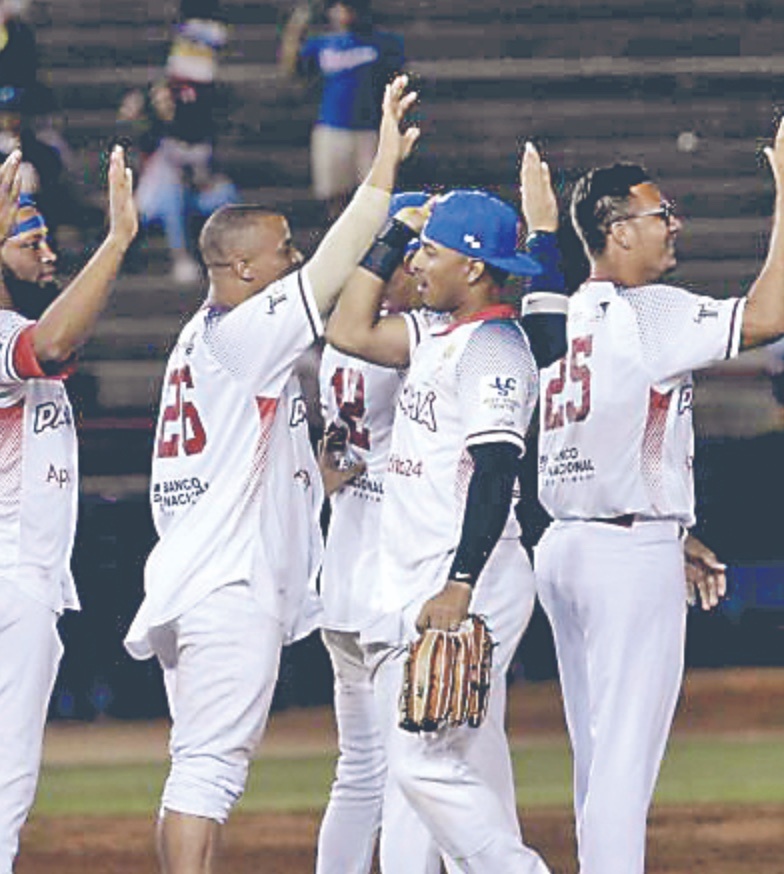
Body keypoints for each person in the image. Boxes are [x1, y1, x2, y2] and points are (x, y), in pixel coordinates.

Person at [123, 75, 419, 874]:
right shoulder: (247, 333)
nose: (293, 260)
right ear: (245, 269)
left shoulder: (203, 335)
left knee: (200, 764)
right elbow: (331, 271)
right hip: (225, 590)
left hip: (195, 576)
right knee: (208, 773)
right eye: (282, 250)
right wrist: (384, 169)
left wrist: (311, 483)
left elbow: (239, 462)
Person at [527, 118, 784, 874]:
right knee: (624, 758)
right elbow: (769, 317)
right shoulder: (650, 310)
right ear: (615, 231)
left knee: (596, 752)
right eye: (658, 213)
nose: (674, 224)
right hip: (622, 555)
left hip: (569, 544)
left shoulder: (559, 313)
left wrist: (672, 532)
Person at [325, 187, 552, 872]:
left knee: (419, 758)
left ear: (476, 267)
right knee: (468, 760)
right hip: (421, 573)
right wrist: (394, 231)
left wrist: (460, 583)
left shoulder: (494, 348)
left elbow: (495, 470)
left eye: (431, 250)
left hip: (468, 578)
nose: (418, 263)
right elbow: (348, 329)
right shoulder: (433, 333)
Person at [0, 145, 137, 874]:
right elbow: (52, 342)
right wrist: (117, 242)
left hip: (26, 575)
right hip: (10, 576)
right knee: (6, 780)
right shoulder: (4, 338)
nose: (48, 252)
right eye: (30, 242)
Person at [316, 189, 454, 874]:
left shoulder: (339, 342)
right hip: (390, 583)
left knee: (360, 773)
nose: (427, 268)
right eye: (419, 254)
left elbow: (328, 461)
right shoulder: (404, 341)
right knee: (415, 773)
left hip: (341, 574)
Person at [119, 0, 238, 284]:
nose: (165, 105)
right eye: (160, 101)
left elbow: (206, 174)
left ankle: (232, 261)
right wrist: (141, 115)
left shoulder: (198, 130)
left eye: (169, 101)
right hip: (155, 202)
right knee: (172, 192)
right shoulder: (153, 134)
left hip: (193, 196)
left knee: (227, 194)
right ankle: (181, 257)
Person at [279, 0, 405, 221]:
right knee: (334, 193)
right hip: (332, 125)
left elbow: (398, 76)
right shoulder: (323, 44)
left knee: (374, 192)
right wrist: (296, 28)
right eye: (339, 8)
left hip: (369, 127)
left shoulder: (381, 43)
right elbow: (292, 68)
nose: (344, 13)